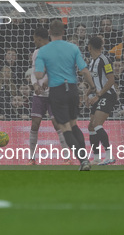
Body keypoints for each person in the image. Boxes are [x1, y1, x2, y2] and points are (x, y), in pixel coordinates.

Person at [35, 20, 96, 171]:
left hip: (57, 91)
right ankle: (85, 159)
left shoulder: (43, 51)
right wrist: (92, 86)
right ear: (63, 32)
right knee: (74, 124)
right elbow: (84, 71)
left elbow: (38, 74)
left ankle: (83, 161)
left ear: (49, 33)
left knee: (65, 128)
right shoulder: (73, 48)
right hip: (73, 90)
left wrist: (44, 73)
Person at [28, 27, 70, 165]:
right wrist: (35, 85)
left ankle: (66, 158)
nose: (34, 41)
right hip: (39, 94)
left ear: (39, 38)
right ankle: (31, 158)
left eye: (34, 39)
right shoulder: (36, 52)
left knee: (57, 123)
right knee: (35, 124)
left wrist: (47, 81)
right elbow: (34, 71)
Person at [86, 36, 117, 166]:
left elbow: (111, 80)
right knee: (91, 126)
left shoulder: (105, 60)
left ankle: (110, 156)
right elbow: (94, 83)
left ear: (89, 47)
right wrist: (88, 92)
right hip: (97, 95)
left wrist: (98, 95)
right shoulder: (92, 62)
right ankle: (97, 158)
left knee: (97, 123)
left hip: (107, 95)